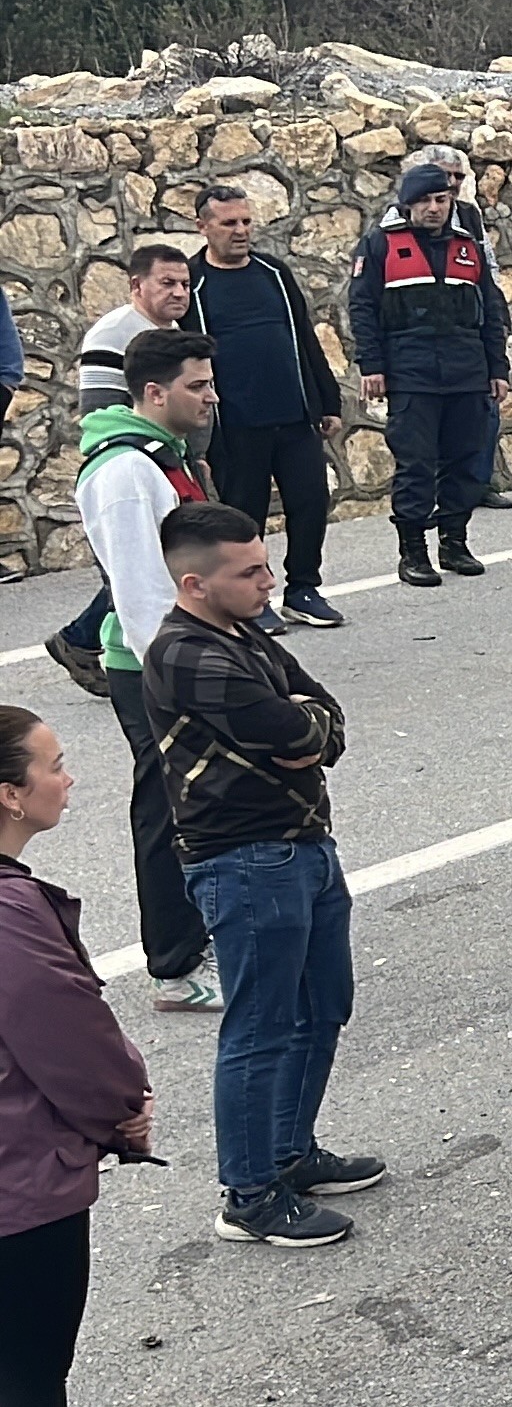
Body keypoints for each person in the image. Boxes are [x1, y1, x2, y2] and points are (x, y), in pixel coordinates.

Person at [142, 500, 380, 1248]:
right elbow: (289, 726)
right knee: (262, 1026)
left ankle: (290, 1153)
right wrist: (304, 724)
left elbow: (327, 718)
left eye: (266, 565)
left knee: (322, 1006)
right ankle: (248, 1193)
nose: (267, 582)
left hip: (304, 846)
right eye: (248, 573)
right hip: (245, 860)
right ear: (194, 582)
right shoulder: (183, 653)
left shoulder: (245, 632)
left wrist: (309, 725)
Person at [0, 703, 174, 1407]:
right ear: (9, 793)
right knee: (28, 1367)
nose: (69, 778)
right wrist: (122, 1116)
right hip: (15, 1180)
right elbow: (65, 1033)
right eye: (55, 765)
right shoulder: (6, 912)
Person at [72, 330, 219, 1014]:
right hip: (155, 665)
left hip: (184, 654)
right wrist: (185, 674)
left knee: (198, 803)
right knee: (166, 810)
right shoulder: (126, 473)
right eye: (197, 385)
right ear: (153, 393)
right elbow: (139, 591)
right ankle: (173, 965)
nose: (210, 396)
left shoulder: (161, 456)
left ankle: (196, 937)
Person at [181, 186, 347, 633]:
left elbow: (305, 338)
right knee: (243, 517)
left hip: (294, 415)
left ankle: (304, 590)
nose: (241, 231)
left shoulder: (274, 272)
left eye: (246, 222)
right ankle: (252, 601)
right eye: (229, 223)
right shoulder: (194, 284)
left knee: (311, 502)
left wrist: (325, 400)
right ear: (203, 227)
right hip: (236, 426)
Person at [348, 164, 510, 588]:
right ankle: (413, 551)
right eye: (425, 201)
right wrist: (372, 365)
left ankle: (454, 542)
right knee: (416, 465)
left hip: (467, 370)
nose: (435, 208)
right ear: (408, 204)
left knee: (466, 463)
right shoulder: (381, 244)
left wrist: (498, 368)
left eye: (442, 200)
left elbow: (491, 311)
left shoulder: (467, 245)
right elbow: (362, 309)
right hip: (411, 371)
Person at [43, 247, 197, 692]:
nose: (178, 293)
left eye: (184, 284)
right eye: (166, 283)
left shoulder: (170, 331)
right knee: (133, 567)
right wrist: (146, 456)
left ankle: (88, 640)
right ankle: (97, 646)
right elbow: (101, 410)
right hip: (139, 462)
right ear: (137, 286)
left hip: (172, 458)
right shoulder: (112, 334)